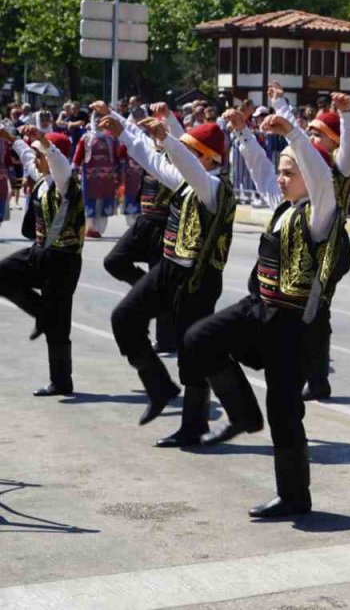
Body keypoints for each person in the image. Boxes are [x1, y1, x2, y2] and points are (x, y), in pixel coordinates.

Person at [184, 113, 336, 518]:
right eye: (282, 172)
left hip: (294, 325)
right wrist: (242, 133)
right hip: (260, 307)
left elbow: (320, 176)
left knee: (285, 411)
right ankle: (243, 414)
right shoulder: (283, 207)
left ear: (309, 175)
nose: (282, 179)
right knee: (199, 339)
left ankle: (293, 497)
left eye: (291, 172)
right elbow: (261, 169)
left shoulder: (320, 214)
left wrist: (294, 133)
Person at [101, 104, 236, 445]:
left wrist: (170, 140)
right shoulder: (187, 182)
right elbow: (154, 160)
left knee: (192, 352)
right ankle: (160, 386)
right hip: (169, 269)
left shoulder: (214, 189)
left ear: (208, 158)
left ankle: (194, 425)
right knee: (125, 317)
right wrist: (124, 131)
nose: (183, 155)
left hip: (198, 280)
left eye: (192, 150)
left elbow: (182, 162)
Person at [261, 86, 350, 400]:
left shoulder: (339, 165)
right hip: (306, 233)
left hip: (330, 240)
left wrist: (347, 114)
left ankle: (314, 374)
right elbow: (297, 139)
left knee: (315, 306)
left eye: (319, 135)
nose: (313, 139)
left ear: (334, 140)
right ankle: (316, 376)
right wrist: (279, 104)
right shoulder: (310, 158)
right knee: (311, 308)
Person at [0, 127, 83, 397]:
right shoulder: (43, 178)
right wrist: (12, 139)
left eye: (40, 155)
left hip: (63, 259)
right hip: (39, 252)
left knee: (59, 327)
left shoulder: (64, 179)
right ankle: (41, 312)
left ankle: (61, 381)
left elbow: (57, 161)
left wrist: (44, 142)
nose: (36, 159)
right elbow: (26, 157)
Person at [103, 104, 180, 353]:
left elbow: (178, 138)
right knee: (114, 261)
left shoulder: (179, 160)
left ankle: (167, 340)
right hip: (145, 222)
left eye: (160, 131)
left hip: (166, 226)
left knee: (164, 283)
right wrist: (110, 113)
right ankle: (148, 287)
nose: (155, 135)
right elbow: (133, 137)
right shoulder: (149, 151)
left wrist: (168, 122)